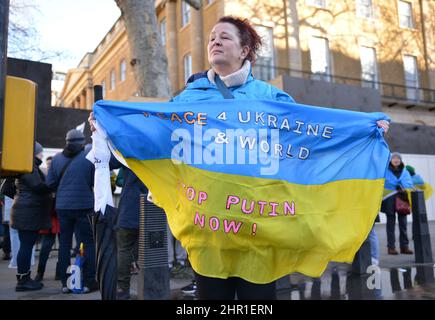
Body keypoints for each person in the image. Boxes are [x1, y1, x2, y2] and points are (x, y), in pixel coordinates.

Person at [90, 16, 389, 300]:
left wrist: (361, 131)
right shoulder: (187, 100)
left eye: (224, 37)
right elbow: (154, 136)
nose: (215, 42)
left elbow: (307, 138)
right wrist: (109, 126)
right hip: (207, 236)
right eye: (211, 38)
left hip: (258, 233)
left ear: (244, 50)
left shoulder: (271, 98)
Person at [46, 129, 97, 293]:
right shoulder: (88, 159)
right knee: (88, 243)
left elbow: (50, 184)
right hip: (84, 206)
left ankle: (65, 283)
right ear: (82, 142)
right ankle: (89, 281)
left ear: (67, 141)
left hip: (63, 207)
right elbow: (94, 180)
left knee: (64, 245)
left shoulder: (56, 160)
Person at [10, 142, 52, 291]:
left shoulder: (27, 165)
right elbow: (38, 186)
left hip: (24, 211)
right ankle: (23, 280)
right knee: (26, 246)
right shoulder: (28, 167)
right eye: (40, 152)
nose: (42, 155)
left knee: (26, 246)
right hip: (27, 213)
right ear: (35, 153)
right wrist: (52, 183)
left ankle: (24, 277)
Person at [111, 161, 148, 300]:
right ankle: (149, 287)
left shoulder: (128, 150)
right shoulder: (154, 150)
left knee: (124, 249)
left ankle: (122, 289)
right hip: (152, 208)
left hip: (129, 209)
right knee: (150, 250)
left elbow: (109, 162)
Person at [381, 152, 414, 255]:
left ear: (400, 160)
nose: (396, 160)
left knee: (403, 224)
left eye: (398, 158)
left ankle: (404, 247)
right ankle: (391, 247)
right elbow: (382, 183)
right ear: (390, 160)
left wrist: (403, 187)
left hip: (402, 199)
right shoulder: (385, 171)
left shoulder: (405, 172)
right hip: (389, 200)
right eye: (394, 158)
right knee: (390, 225)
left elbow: (409, 183)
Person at [35, 155, 60, 282]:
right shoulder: (44, 178)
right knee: (45, 247)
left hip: (59, 216)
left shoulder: (57, 177)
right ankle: (40, 273)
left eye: (51, 164)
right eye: (48, 164)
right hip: (50, 217)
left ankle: (60, 272)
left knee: (63, 247)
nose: (50, 166)